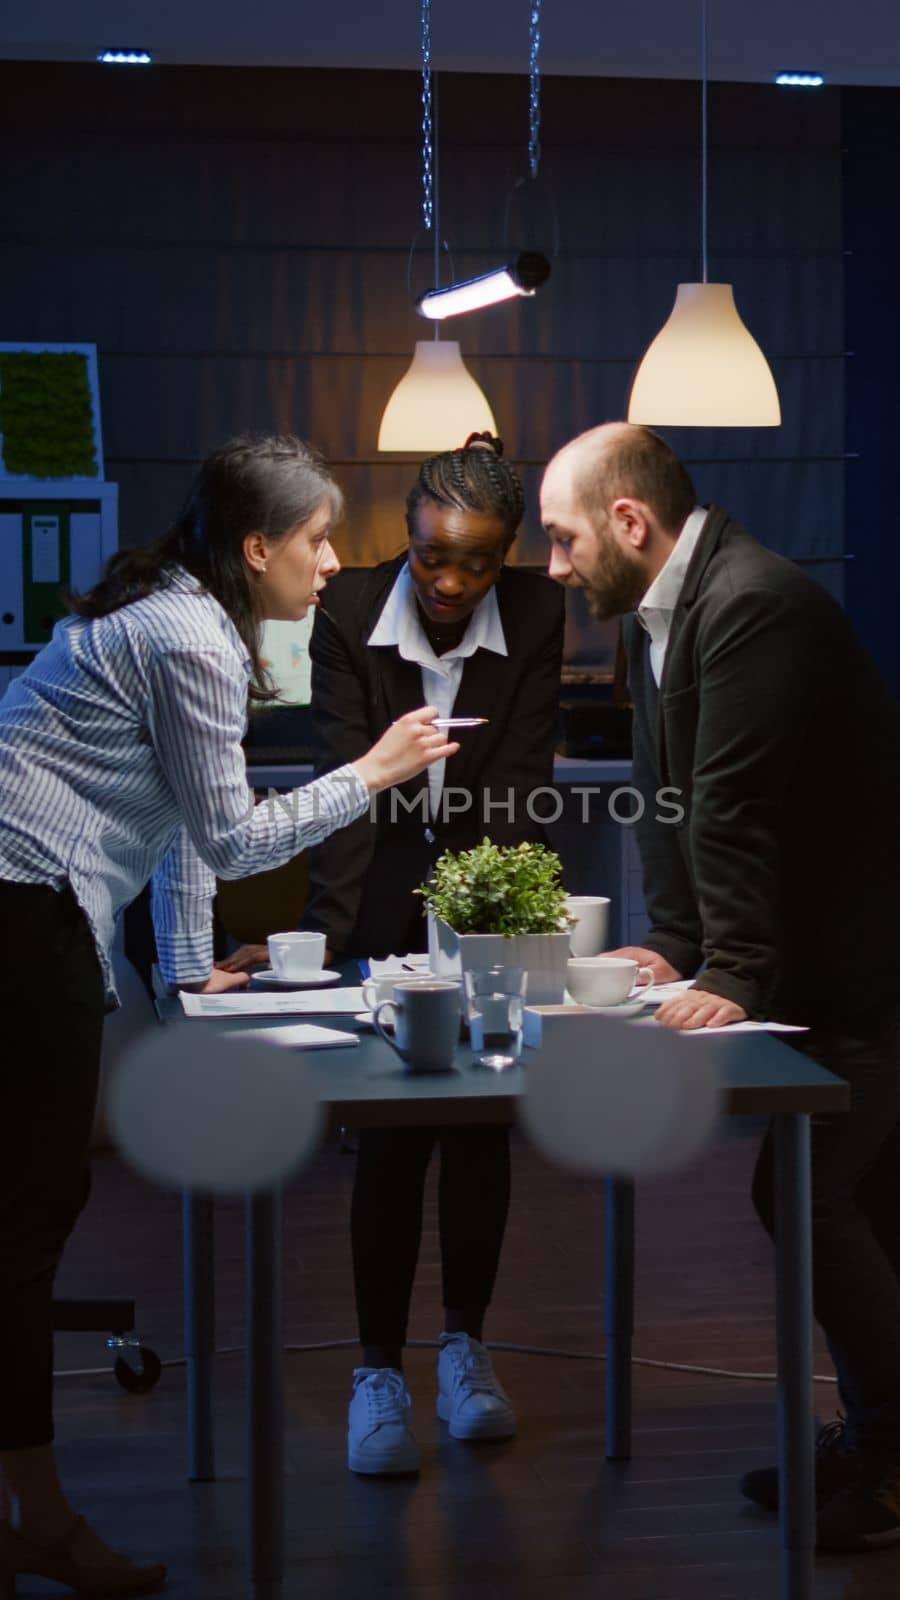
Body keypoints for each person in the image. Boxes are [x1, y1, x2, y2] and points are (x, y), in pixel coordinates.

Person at [0, 434, 458, 1595]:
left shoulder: (170, 606)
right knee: (23, 1227)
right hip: (18, 918)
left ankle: (30, 1513)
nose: (330, 561)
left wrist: (189, 978)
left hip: (28, 909)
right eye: (313, 539)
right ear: (256, 549)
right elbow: (234, 833)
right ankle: (37, 1521)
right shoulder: (192, 637)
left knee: (21, 1221)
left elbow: (171, 822)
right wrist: (376, 768)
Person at [539, 421, 900, 1553]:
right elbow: (664, 795)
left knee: (815, 1199)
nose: (554, 565)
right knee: (851, 1203)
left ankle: (893, 1464)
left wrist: (731, 972)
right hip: (823, 970)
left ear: (629, 522)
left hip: (864, 969)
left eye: (562, 538)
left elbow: (731, 803)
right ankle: (875, 1445)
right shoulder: (662, 614)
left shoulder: (750, 602)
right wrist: (678, 941)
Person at [220, 434, 565, 1476]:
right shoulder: (350, 610)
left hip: (488, 895)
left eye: (478, 562)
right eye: (432, 557)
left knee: (480, 1131)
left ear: (509, 552)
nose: (453, 581)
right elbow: (346, 791)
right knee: (393, 1137)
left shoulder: (542, 612)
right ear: (406, 536)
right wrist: (324, 945)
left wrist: (500, 929)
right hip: (372, 897)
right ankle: (378, 1370)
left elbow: (517, 787)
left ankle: (465, 1346)